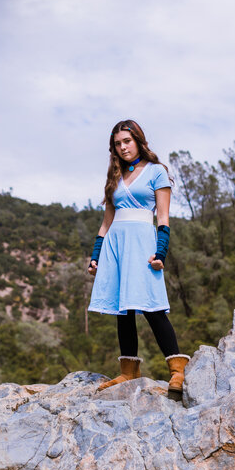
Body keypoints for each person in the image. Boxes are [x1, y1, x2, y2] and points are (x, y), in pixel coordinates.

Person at [87, 119, 189, 400]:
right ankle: (128, 371)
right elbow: (106, 223)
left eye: (127, 142)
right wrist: (96, 256)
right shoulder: (114, 177)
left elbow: (164, 218)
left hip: (143, 242)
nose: (122, 148)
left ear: (138, 141)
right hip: (116, 244)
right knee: (124, 308)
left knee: (152, 306)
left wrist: (161, 252)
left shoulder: (157, 172)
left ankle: (177, 371)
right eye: (117, 144)